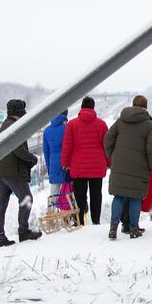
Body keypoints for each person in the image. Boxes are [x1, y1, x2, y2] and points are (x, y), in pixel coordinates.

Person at [104, 95, 152, 240]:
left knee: (119, 195)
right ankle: (134, 229)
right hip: (139, 165)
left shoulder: (121, 120)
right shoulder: (149, 125)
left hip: (120, 162)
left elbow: (108, 138)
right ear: (145, 107)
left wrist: (113, 156)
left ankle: (113, 228)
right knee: (135, 196)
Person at [0, 99, 42, 247]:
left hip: (0, 172)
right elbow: (18, 150)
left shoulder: (5, 125)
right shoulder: (14, 127)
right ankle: (23, 231)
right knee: (26, 198)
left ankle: (0, 236)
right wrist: (32, 159)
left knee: (1, 203)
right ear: (19, 112)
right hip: (12, 171)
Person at [61, 96, 109, 225]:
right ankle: (96, 221)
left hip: (78, 166)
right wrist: (109, 162)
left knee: (80, 196)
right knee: (96, 195)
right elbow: (107, 145)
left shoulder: (72, 124)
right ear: (93, 107)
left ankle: (80, 221)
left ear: (82, 107)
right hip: (97, 166)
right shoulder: (101, 124)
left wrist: (65, 163)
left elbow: (67, 146)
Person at [42, 110, 69, 197]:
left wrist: (50, 169)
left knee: (54, 194)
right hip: (67, 165)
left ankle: (51, 210)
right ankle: (70, 210)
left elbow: (46, 153)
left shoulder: (47, 131)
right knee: (69, 193)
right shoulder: (68, 128)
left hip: (53, 165)